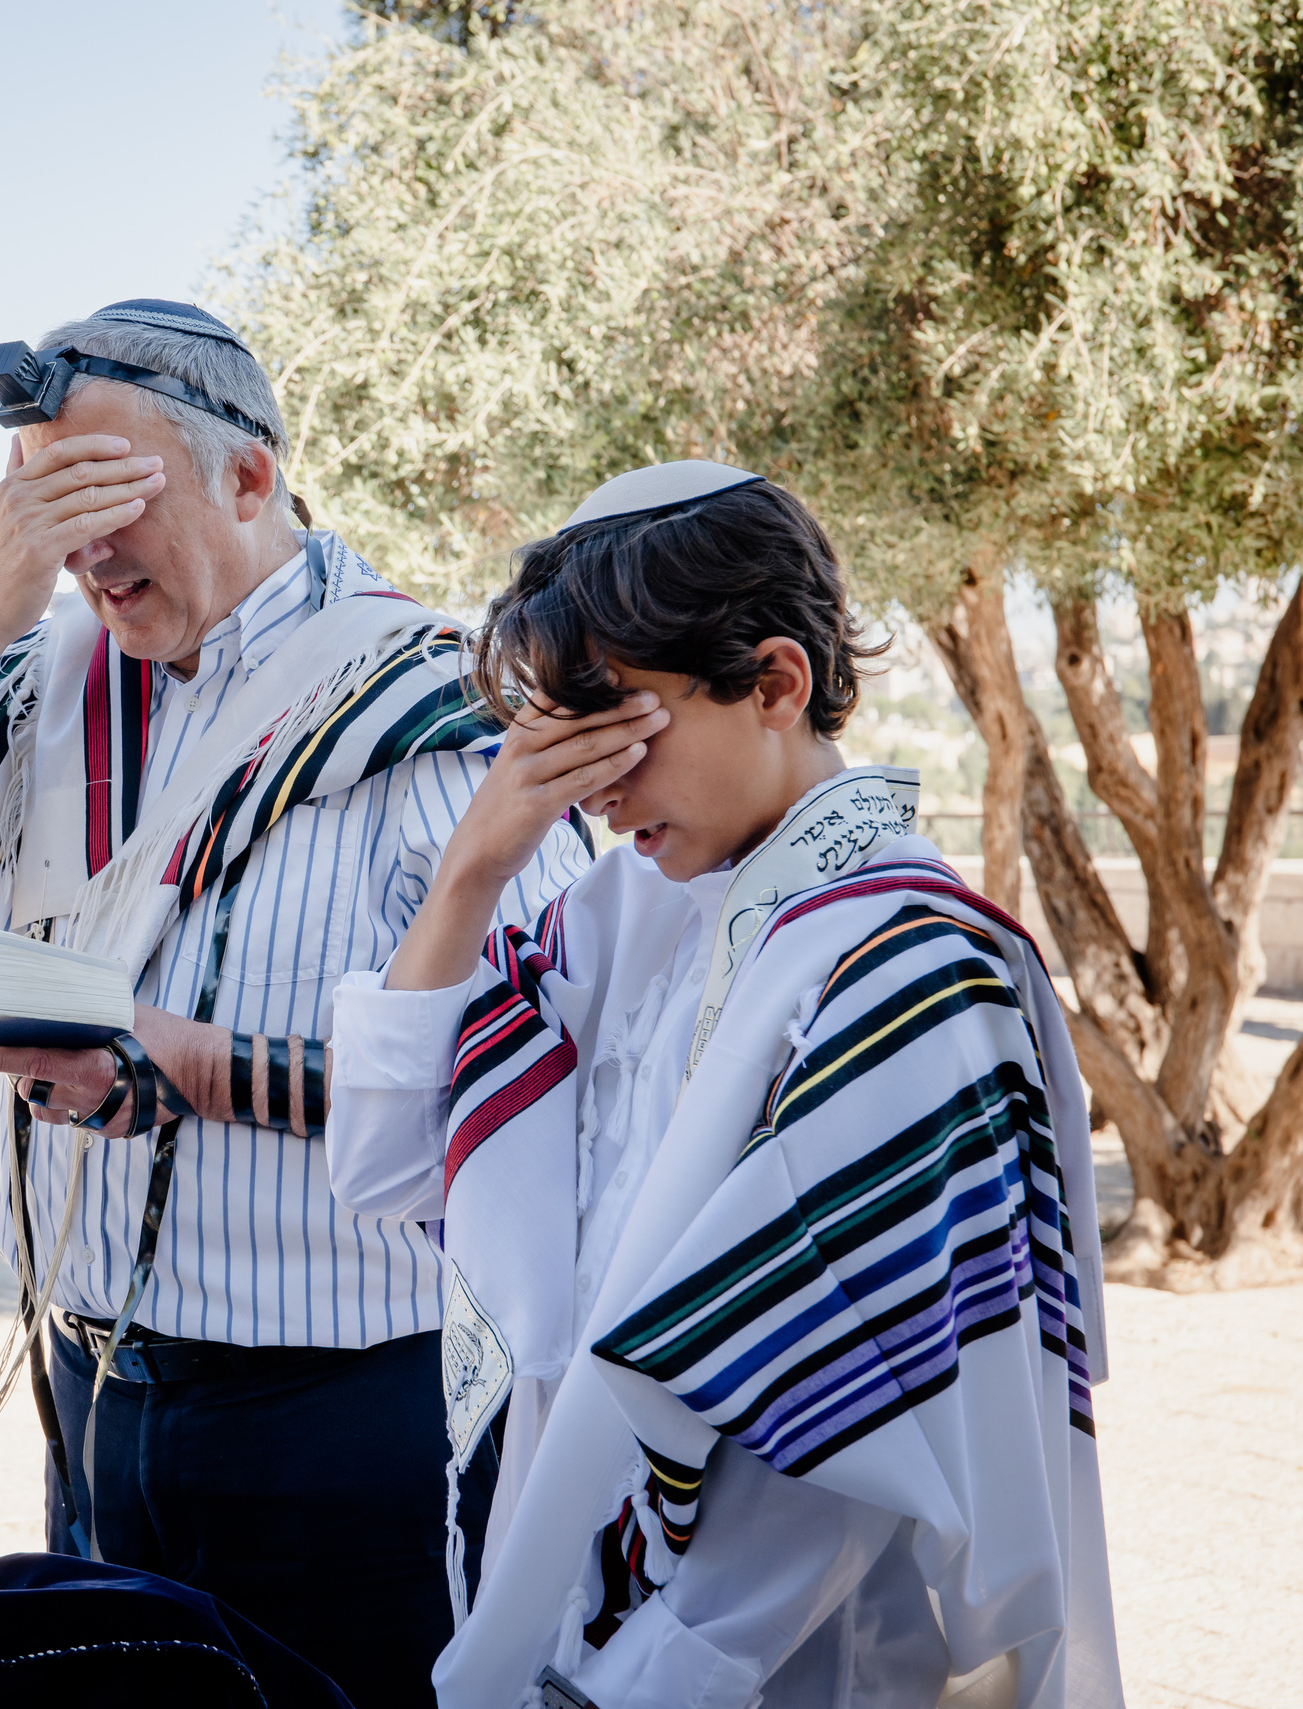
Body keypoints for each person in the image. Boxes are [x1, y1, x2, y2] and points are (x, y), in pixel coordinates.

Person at [0, 298, 594, 1708]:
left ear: (249, 475)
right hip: (94, 1393)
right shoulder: (27, 688)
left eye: (103, 494)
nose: (76, 549)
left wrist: (186, 1064)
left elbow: (533, 1079)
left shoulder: (427, 705)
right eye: (40, 503)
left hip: (348, 1416)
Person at [326, 462, 1121, 1708]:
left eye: (622, 721)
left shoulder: (906, 968)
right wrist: (472, 868)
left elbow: (847, 1429)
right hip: (582, 1626)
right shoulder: (625, 920)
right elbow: (383, 1162)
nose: (594, 783)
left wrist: (629, 1684)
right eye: (561, 734)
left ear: (773, 682)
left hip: (776, 1667)